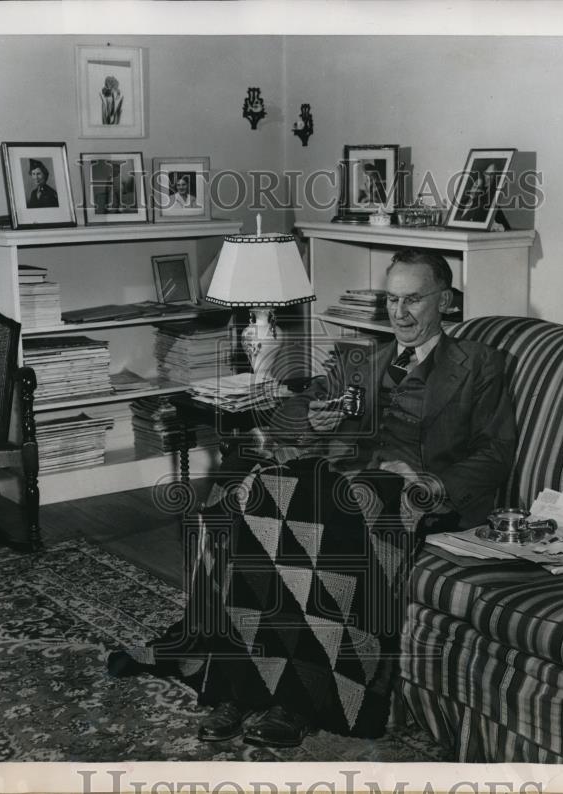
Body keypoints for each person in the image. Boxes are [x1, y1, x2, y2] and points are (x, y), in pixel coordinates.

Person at [108, 248, 517, 748]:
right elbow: (299, 409)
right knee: (258, 492)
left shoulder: (480, 364)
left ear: (445, 301)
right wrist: (316, 418)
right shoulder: (365, 359)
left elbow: (496, 452)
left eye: (414, 300)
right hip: (351, 483)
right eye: (391, 299)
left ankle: (300, 701)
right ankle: (248, 684)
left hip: (417, 497)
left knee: (330, 510)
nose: (400, 313)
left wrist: (430, 484)